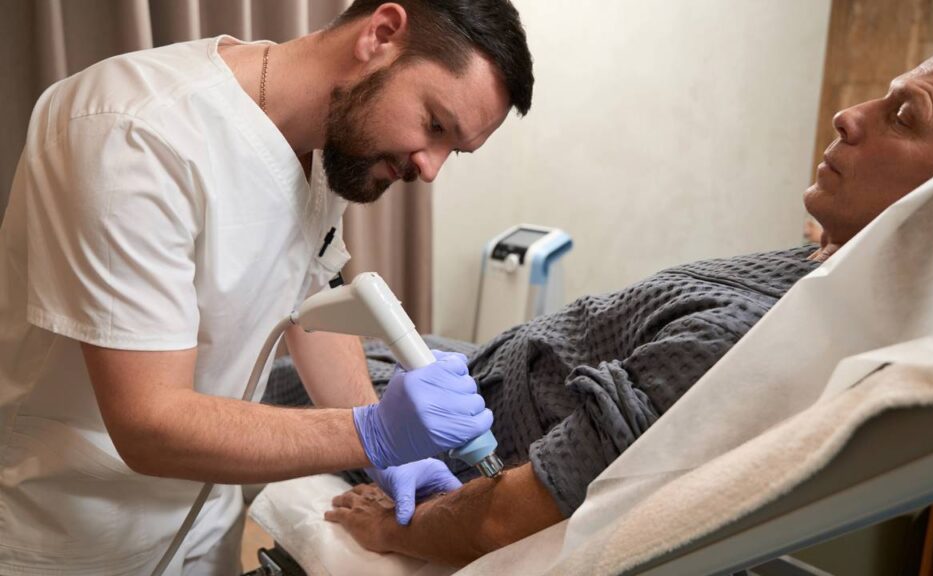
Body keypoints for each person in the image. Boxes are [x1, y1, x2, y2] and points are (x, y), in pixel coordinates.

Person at [322, 18, 933, 567]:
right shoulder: (826, 268)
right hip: (473, 375)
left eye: (905, 116)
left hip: (448, 440)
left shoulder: (755, 336)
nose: (851, 115)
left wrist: (394, 529)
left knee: (287, 344)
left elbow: (508, 514)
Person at [0, 1, 533, 574]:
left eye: (454, 149)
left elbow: (310, 303)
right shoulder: (133, 134)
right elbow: (147, 424)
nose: (430, 169)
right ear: (380, 34)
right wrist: (371, 433)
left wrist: (387, 455)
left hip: (206, 521)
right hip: (69, 535)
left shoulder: (327, 144)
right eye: (435, 124)